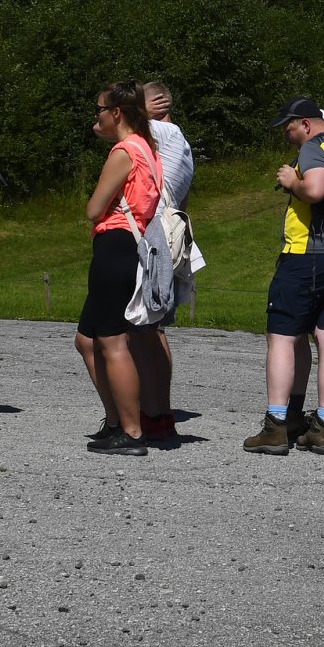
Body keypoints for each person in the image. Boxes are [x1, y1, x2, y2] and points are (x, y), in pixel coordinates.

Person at [244, 96, 324, 458]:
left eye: (289, 127)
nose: (286, 133)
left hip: (307, 256)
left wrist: (290, 181)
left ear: (306, 124)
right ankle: (322, 427)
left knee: (282, 337)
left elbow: (314, 190)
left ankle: (276, 427)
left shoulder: (314, 147)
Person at [78, 80, 163, 457]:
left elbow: (94, 209)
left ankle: (131, 431)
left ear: (116, 113)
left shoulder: (123, 152)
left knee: (113, 342)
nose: (95, 116)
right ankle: (116, 421)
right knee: (86, 339)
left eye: (99, 109)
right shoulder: (147, 148)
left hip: (116, 245)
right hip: (130, 246)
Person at [136, 80, 193, 441]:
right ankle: (159, 411)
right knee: (154, 330)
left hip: (150, 238)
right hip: (169, 236)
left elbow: (102, 128)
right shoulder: (182, 143)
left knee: (136, 331)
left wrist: (139, 112)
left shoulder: (159, 132)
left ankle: (142, 412)